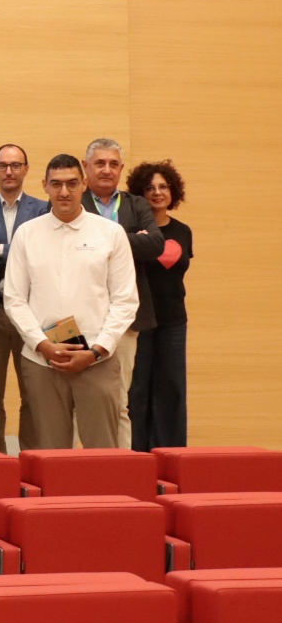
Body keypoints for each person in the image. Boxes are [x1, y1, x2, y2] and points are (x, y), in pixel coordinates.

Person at [3, 155, 139, 450]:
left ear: (84, 185)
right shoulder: (27, 234)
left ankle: (105, 498)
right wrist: (43, 344)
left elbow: (126, 300)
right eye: (56, 184)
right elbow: (14, 299)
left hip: (97, 360)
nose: (64, 192)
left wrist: (97, 350)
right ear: (45, 187)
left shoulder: (110, 233)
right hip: (42, 361)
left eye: (71, 184)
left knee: (103, 451)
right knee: (50, 453)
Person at [82, 139, 162, 449]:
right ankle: (74, 475)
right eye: (99, 163)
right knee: (79, 401)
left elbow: (155, 245)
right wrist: (130, 240)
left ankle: (122, 470)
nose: (106, 169)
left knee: (120, 401)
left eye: (113, 164)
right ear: (86, 166)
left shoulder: (136, 204)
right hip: (80, 316)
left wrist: (97, 241)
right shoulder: (72, 200)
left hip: (125, 318)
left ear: (121, 169)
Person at [0, 144, 49, 452]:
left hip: (32, 314)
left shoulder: (43, 209)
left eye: (16, 165)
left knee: (35, 392)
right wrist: (14, 253)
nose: (9, 171)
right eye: (3, 165)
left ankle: (32, 457)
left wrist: (1, 250)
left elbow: (40, 259)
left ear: (26, 169)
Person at [125, 160, 191, 451]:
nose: (157, 192)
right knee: (136, 390)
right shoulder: (130, 231)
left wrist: (146, 245)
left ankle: (171, 455)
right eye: (150, 187)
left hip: (173, 322)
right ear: (139, 193)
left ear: (172, 191)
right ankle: (137, 456)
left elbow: (172, 265)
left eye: (163, 187)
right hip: (139, 320)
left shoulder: (182, 231)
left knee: (171, 389)